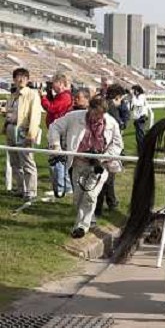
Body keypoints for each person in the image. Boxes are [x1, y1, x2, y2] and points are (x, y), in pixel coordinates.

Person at [48, 96, 123, 238]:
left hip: (101, 164)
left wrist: (103, 157)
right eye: (95, 114)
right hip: (79, 163)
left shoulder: (111, 123)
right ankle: (90, 219)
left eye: (101, 115)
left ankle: (81, 227)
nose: (97, 118)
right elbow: (54, 126)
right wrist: (56, 145)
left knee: (90, 195)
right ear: (89, 109)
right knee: (78, 198)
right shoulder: (74, 117)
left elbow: (118, 144)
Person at [2, 67, 42, 201]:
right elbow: (10, 111)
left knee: (27, 161)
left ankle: (31, 191)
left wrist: (31, 135)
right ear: (14, 79)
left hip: (23, 131)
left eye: (24, 77)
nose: (20, 80)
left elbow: (35, 116)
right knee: (14, 162)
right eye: (18, 77)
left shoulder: (32, 95)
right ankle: (21, 188)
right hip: (10, 129)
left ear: (28, 80)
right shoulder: (12, 95)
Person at [41, 73, 74, 198]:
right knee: (61, 160)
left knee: (57, 160)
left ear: (60, 83)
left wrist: (44, 97)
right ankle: (66, 186)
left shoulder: (65, 96)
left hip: (59, 132)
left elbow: (52, 108)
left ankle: (61, 187)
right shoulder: (61, 96)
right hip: (58, 130)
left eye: (53, 83)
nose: (51, 86)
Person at [95, 84, 127, 215]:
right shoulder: (112, 108)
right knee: (107, 178)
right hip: (108, 147)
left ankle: (109, 202)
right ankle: (103, 206)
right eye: (122, 99)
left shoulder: (103, 104)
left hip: (100, 145)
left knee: (104, 177)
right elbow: (117, 126)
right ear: (118, 97)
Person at [131, 84, 150, 155]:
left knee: (140, 136)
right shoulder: (139, 96)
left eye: (134, 91)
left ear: (137, 90)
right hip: (138, 118)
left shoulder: (141, 96)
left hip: (141, 118)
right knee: (139, 136)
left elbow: (137, 104)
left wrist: (133, 96)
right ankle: (141, 150)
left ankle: (143, 150)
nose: (133, 92)